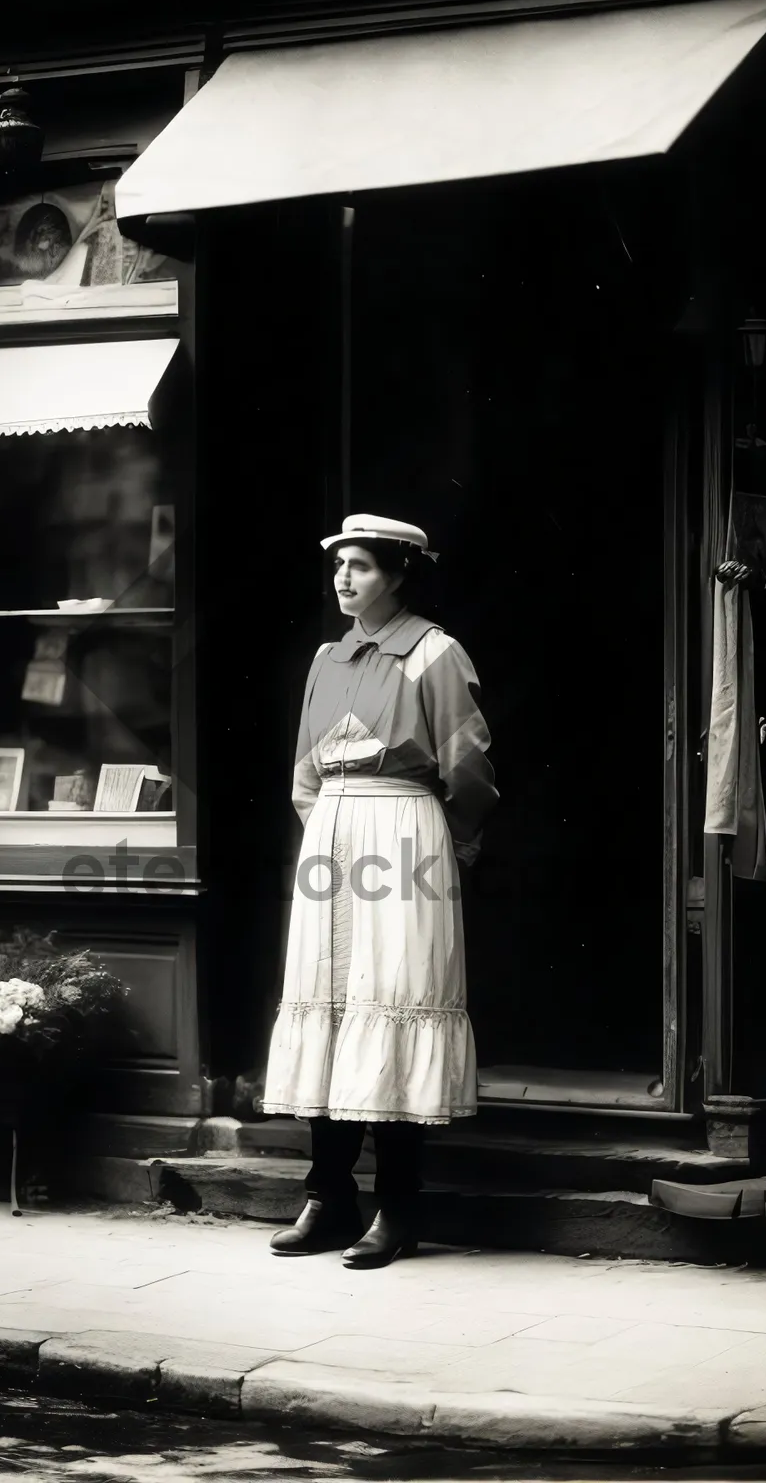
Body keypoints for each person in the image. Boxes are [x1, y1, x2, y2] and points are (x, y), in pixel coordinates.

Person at [260, 513, 498, 1269]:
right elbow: (305, 771)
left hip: (403, 830)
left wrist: (447, 835)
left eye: (360, 566)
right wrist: (327, 824)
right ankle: (328, 1197)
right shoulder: (328, 659)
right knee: (330, 1001)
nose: (343, 578)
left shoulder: (434, 653)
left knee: (391, 998)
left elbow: (466, 765)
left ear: (397, 573)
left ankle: (398, 1208)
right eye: (339, 565)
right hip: (331, 833)